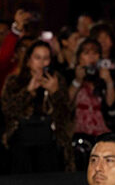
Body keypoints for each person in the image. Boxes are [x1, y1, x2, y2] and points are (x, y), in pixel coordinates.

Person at [1, 40, 74, 172]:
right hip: (20, 142)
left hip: (50, 142)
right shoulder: (14, 81)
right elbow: (7, 111)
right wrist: (28, 92)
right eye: (37, 58)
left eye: (46, 58)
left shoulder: (57, 80)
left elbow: (66, 114)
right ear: (29, 60)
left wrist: (55, 93)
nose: (42, 63)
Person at [68, 38, 115, 170]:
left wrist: (109, 81)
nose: (91, 57)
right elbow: (66, 102)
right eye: (86, 53)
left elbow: (110, 103)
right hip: (78, 132)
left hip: (100, 132)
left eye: (95, 53)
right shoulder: (70, 75)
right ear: (79, 57)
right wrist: (77, 80)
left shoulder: (102, 78)